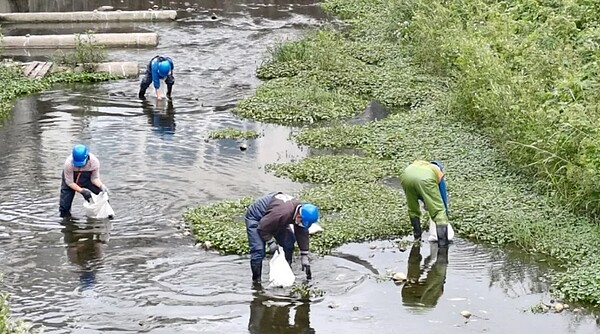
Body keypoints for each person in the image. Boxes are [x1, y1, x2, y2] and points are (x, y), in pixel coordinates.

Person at [245, 192, 319, 283]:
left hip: (274, 217)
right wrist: (270, 242)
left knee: (289, 242)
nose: (302, 224)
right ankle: (256, 281)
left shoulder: (301, 213)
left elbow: (302, 232)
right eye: (302, 221)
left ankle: (287, 268)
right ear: (299, 216)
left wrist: (304, 255)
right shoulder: (282, 213)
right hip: (257, 217)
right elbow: (262, 227)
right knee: (258, 250)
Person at [400, 160, 450, 246]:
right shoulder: (438, 173)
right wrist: (444, 215)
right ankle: (443, 244)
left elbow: (419, 192)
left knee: (412, 208)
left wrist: (426, 202)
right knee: (439, 211)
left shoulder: (420, 163)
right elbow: (442, 198)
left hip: (406, 176)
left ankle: (417, 236)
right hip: (425, 179)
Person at [59, 144, 109, 218]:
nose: (79, 166)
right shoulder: (68, 164)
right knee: (64, 207)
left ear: (87, 158)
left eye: (81, 164)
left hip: (87, 177)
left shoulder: (94, 162)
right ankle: (66, 221)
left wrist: (101, 186)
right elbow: (70, 182)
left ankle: (106, 213)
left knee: (101, 193)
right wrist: (82, 191)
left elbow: (94, 178)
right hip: (70, 179)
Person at [401, 243, 449, 308]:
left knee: (413, 276)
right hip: (414, 297)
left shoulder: (433, 297)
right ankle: (442, 247)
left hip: (408, 296)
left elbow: (440, 290)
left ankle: (417, 239)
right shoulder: (432, 298)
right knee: (438, 273)